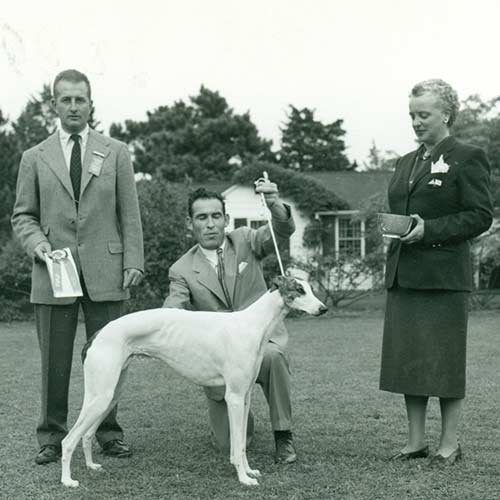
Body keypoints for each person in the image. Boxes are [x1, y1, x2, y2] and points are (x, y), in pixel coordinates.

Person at [11, 69, 144, 465]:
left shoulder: (116, 151)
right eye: (65, 99)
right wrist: (39, 246)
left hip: (108, 271)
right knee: (54, 360)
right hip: (53, 275)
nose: (73, 106)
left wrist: (133, 260)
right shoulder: (33, 157)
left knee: (111, 357)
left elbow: (130, 214)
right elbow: (23, 215)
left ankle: (108, 433)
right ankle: (51, 436)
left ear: (90, 103)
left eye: (80, 99)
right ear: (53, 104)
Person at [379, 79, 493, 465]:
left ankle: (449, 444)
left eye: (423, 114)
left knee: (443, 362)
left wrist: (429, 230)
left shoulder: (468, 155)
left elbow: (480, 215)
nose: (415, 121)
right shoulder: (406, 162)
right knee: (408, 360)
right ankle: (415, 442)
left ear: (446, 114)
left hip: (444, 279)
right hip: (404, 274)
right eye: (412, 114)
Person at [163, 181, 297, 464]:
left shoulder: (247, 240)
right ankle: (242, 416)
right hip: (220, 359)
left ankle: (283, 435)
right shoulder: (181, 269)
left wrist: (274, 203)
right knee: (227, 445)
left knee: (272, 357)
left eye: (215, 216)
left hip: (263, 344)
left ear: (225, 219)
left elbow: (281, 232)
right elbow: (172, 312)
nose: (210, 224)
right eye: (202, 218)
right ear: (190, 224)